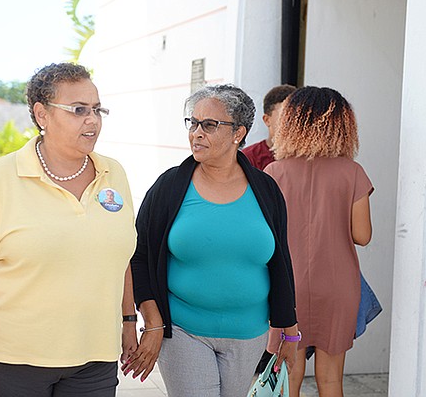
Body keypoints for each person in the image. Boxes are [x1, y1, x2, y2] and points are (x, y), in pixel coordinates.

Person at [0, 63, 138, 397]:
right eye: (79, 110)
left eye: (97, 109)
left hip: (95, 358)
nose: (92, 120)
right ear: (42, 114)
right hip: (14, 360)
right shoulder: (0, 178)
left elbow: (120, 256)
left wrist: (128, 322)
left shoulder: (114, 173)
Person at [123, 84, 299, 397]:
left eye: (209, 124)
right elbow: (138, 256)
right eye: (193, 123)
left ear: (238, 133)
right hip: (182, 330)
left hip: (249, 334)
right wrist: (152, 320)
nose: (196, 132)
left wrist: (290, 331)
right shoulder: (169, 186)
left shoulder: (266, 189)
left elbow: (281, 260)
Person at [264, 86, 374, 397]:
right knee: (330, 381)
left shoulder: (274, 172)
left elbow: (266, 237)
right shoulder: (352, 173)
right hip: (338, 286)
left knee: (289, 377)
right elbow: (362, 235)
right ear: (343, 125)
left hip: (288, 288)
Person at [242, 84, 296, 170]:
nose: (291, 122)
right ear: (267, 120)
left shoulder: (308, 158)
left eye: (296, 116)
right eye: (284, 116)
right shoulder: (248, 159)